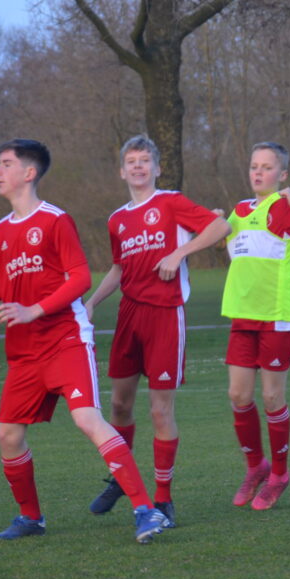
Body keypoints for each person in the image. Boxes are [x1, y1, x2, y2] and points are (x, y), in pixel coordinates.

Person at [0, 139, 168, 543]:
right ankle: (31, 518)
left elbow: (80, 278)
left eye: (5, 163)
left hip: (65, 339)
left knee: (87, 418)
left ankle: (146, 511)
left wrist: (36, 310)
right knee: (7, 435)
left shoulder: (54, 220)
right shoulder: (0, 231)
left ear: (28, 173)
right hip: (24, 352)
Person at [83, 135, 231, 527]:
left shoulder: (171, 202)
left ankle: (163, 499)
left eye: (144, 160)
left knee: (160, 409)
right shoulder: (117, 219)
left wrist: (180, 252)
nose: (137, 167)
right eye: (131, 161)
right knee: (118, 405)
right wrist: (92, 302)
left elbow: (221, 225)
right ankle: (122, 477)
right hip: (129, 316)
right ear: (121, 171)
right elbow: (118, 268)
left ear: (157, 167)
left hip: (166, 315)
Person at [219, 142, 290, 510]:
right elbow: (230, 248)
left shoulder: (285, 210)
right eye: (254, 165)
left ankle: (280, 474)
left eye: (267, 167)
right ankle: (256, 467)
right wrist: (210, 222)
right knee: (238, 396)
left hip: (279, 317)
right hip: (244, 316)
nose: (258, 172)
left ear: (282, 174)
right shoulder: (239, 212)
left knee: (272, 397)